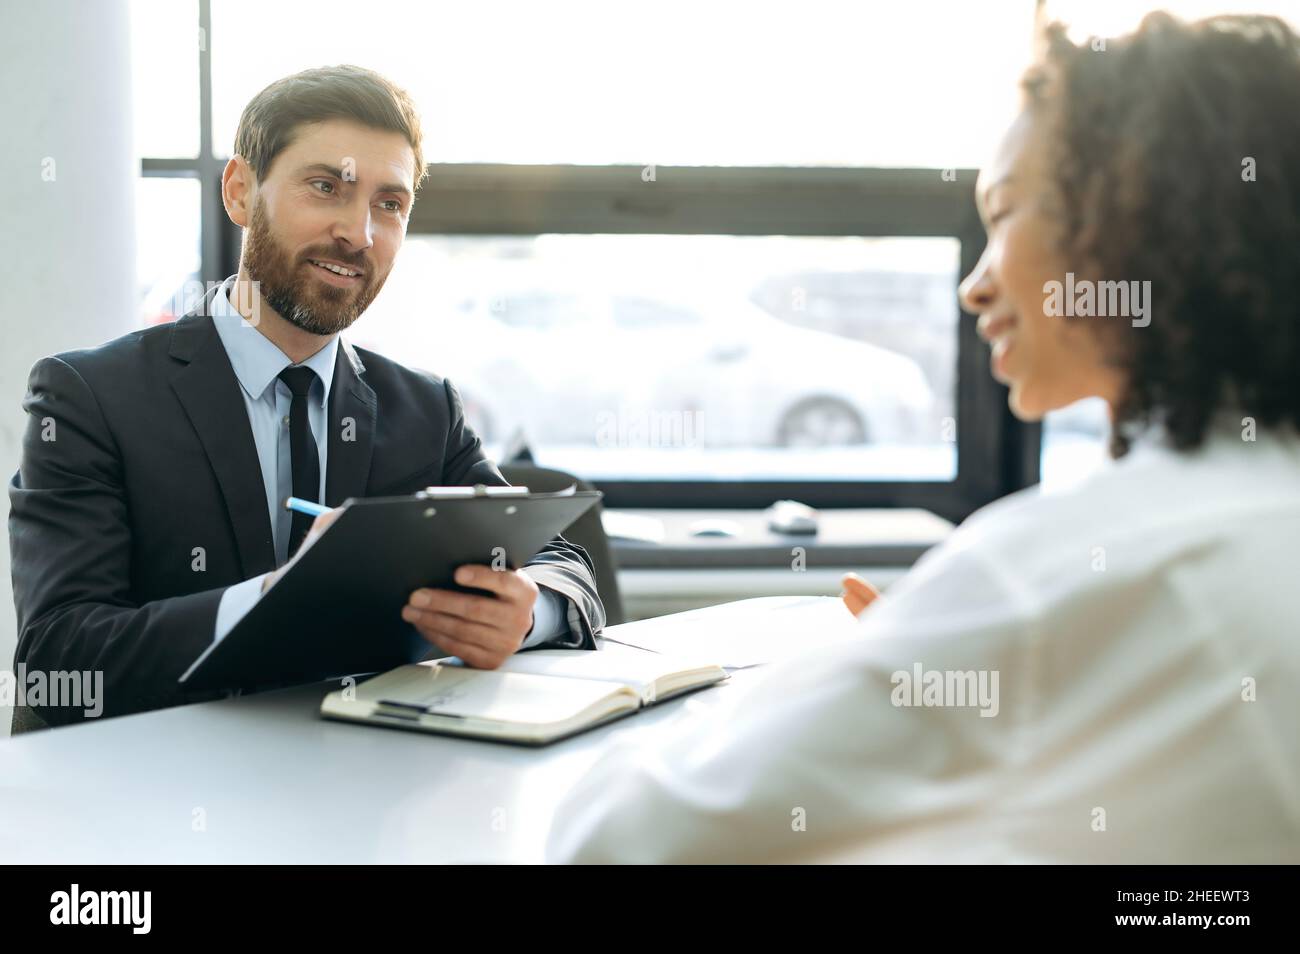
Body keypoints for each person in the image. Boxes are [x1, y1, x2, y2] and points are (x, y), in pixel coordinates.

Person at [546, 13, 1300, 863]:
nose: (976, 286)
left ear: (1142, 216)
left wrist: (838, 673)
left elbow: (614, 840)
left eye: (1005, 214)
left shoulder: (1050, 574)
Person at [9, 66, 604, 732]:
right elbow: (55, 662)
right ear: (240, 192)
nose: (359, 233)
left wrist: (528, 610)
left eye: (389, 204)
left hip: (368, 797)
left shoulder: (425, 411)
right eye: (326, 187)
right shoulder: (89, 398)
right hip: (162, 807)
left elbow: (563, 563)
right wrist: (274, 601)